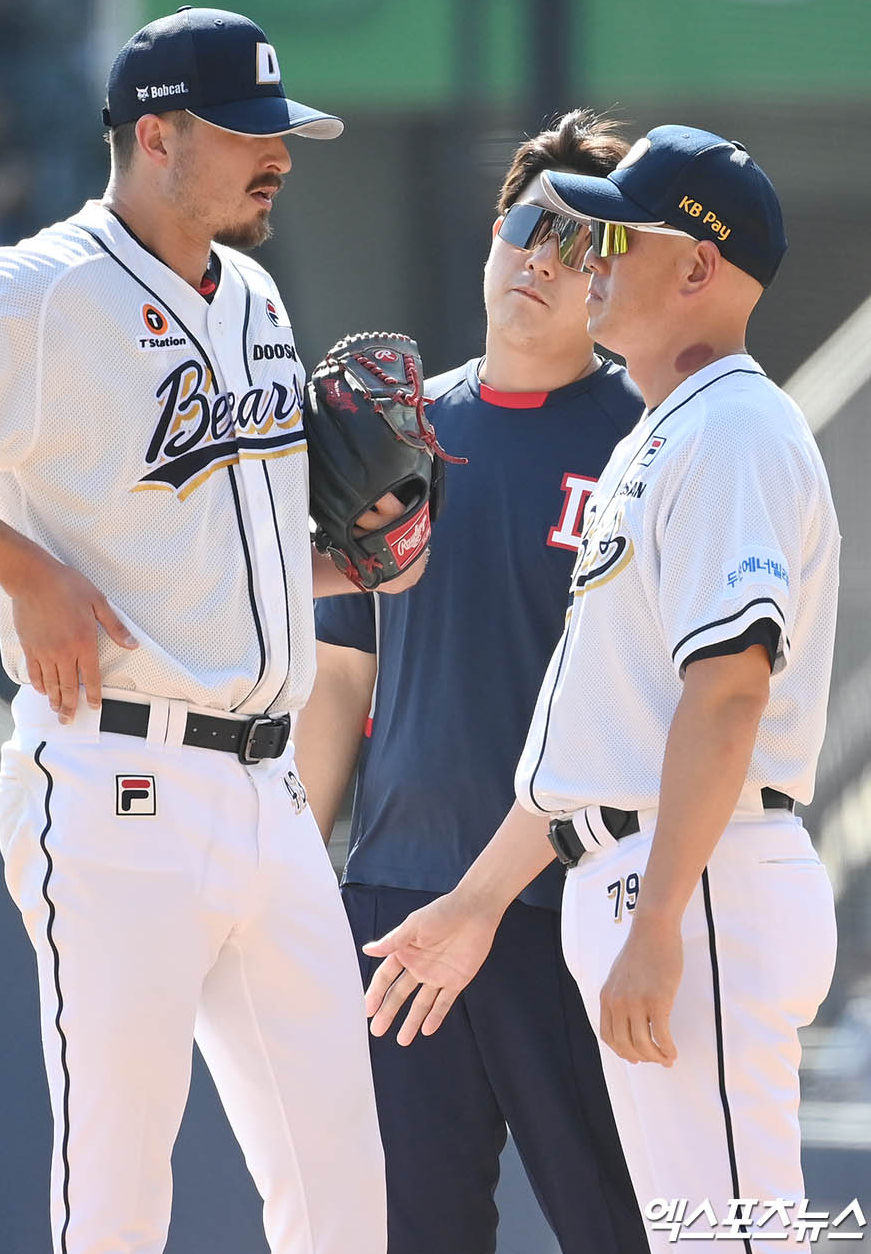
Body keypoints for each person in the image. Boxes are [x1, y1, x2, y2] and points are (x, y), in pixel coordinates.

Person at [0, 6, 405, 1254]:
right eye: (247, 134)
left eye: (282, 132)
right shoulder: (39, 290)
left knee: (340, 1191)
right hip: (120, 783)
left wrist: (333, 557)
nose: (276, 155)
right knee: (118, 1195)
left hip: (270, 792)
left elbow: (200, 526)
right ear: (158, 136)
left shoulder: (258, 293)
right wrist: (20, 569)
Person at [363, 125, 840, 1252]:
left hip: (698, 879)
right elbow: (600, 735)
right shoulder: (664, 435)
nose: (592, 255)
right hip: (640, 871)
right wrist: (474, 906)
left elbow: (729, 694)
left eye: (616, 233)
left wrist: (665, 917)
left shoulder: (731, 427)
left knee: (726, 1239)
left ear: (694, 271)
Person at [295, 110, 650, 1254]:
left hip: (575, 912)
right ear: (492, 233)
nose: (541, 258)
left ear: (617, 273)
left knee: (625, 1230)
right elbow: (340, 680)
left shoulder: (650, 442)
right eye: (527, 225)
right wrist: (296, 890)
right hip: (397, 910)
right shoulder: (394, 434)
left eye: (582, 241)